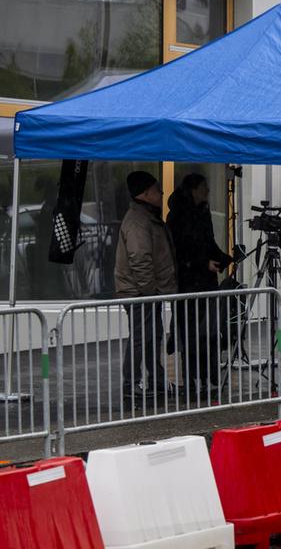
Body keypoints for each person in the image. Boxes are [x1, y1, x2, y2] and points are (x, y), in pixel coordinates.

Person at [166, 173, 232, 396]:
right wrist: (203, 263)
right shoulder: (178, 216)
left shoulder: (203, 212)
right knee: (192, 333)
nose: (208, 191)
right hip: (189, 283)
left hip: (206, 281)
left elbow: (208, 242)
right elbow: (180, 250)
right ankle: (193, 378)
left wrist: (223, 258)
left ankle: (209, 376)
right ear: (193, 190)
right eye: (204, 187)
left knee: (209, 331)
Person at [115, 171, 176, 399]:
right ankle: (131, 383)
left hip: (147, 291)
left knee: (153, 336)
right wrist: (149, 291)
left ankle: (155, 379)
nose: (161, 193)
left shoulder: (146, 217)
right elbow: (140, 258)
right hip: (141, 293)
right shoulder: (138, 221)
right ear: (145, 193)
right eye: (157, 190)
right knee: (141, 338)